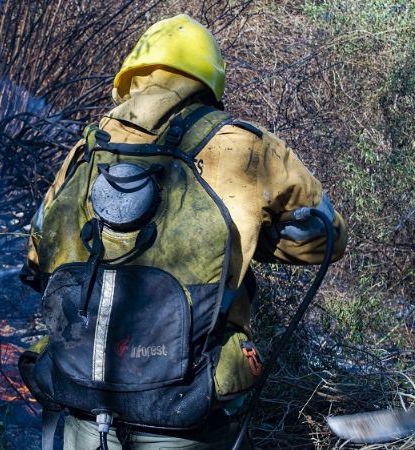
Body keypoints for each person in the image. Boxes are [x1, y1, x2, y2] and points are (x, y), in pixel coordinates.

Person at [18, 14, 348, 450]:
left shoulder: (88, 148)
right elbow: (326, 240)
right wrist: (248, 236)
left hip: (82, 396)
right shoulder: (247, 149)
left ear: (132, 76)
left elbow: (37, 255)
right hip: (185, 409)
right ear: (208, 82)